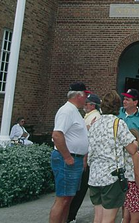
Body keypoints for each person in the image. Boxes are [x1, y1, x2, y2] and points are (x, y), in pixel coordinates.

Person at [86, 91, 139, 223]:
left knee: (98, 217)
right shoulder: (118, 123)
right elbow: (132, 149)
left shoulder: (94, 124)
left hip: (94, 176)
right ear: (117, 106)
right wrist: (134, 141)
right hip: (111, 176)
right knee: (109, 218)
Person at [48, 82, 90, 223]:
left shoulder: (74, 111)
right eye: (85, 95)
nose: (86, 99)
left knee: (68, 198)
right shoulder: (66, 111)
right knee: (63, 198)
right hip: (67, 159)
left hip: (74, 159)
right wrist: (67, 157)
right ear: (79, 96)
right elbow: (57, 134)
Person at [67, 92, 102, 223]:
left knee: (80, 189)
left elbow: (90, 139)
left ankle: (71, 216)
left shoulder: (95, 117)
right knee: (78, 188)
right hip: (84, 157)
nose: (84, 105)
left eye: (87, 103)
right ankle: (70, 215)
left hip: (86, 159)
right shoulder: (88, 116)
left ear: (92, 105)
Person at [122, 128, 139, 223]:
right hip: (134, 186)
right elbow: (137, 175)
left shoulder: (124, 154)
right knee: (136, 217)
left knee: (126, 214)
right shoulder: (135, 155)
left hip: (126, 184)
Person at [119, 88, 139, 160]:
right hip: (116, 156)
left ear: (135, 102)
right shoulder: (117, 112)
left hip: (132, 157)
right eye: (124, 99)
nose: (124, 101)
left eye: (127, 100)